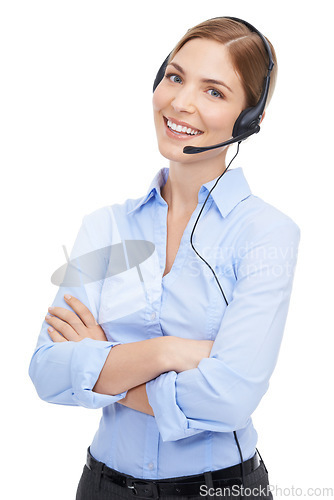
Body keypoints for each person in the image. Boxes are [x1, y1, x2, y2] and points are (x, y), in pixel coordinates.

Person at [29, 16, 300, 500]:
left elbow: (229, 399)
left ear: (249, 119)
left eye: (214, 91)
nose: (181, 102)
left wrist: (103, 365)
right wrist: (168, 353)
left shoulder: (267, 234)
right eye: (175, 77)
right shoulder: (105, 227)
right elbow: (48, 371)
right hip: (101, 486)